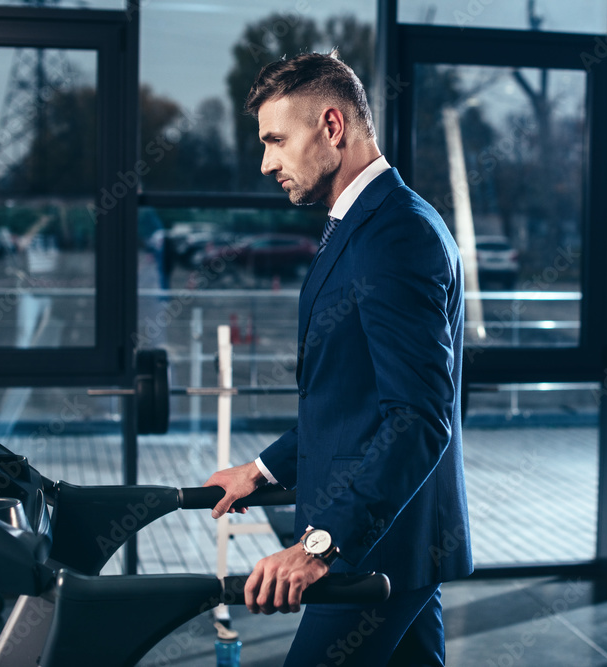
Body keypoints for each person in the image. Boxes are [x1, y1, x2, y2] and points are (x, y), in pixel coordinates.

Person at [202, 50, 472, 666]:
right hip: (395, 546)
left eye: (275, 140)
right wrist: (264, 470)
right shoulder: (366, 224)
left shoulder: (396, 235)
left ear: (331, 126)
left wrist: (318, 548)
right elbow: (354, 398)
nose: (266, 161)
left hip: (369, 552)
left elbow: (418, 418)